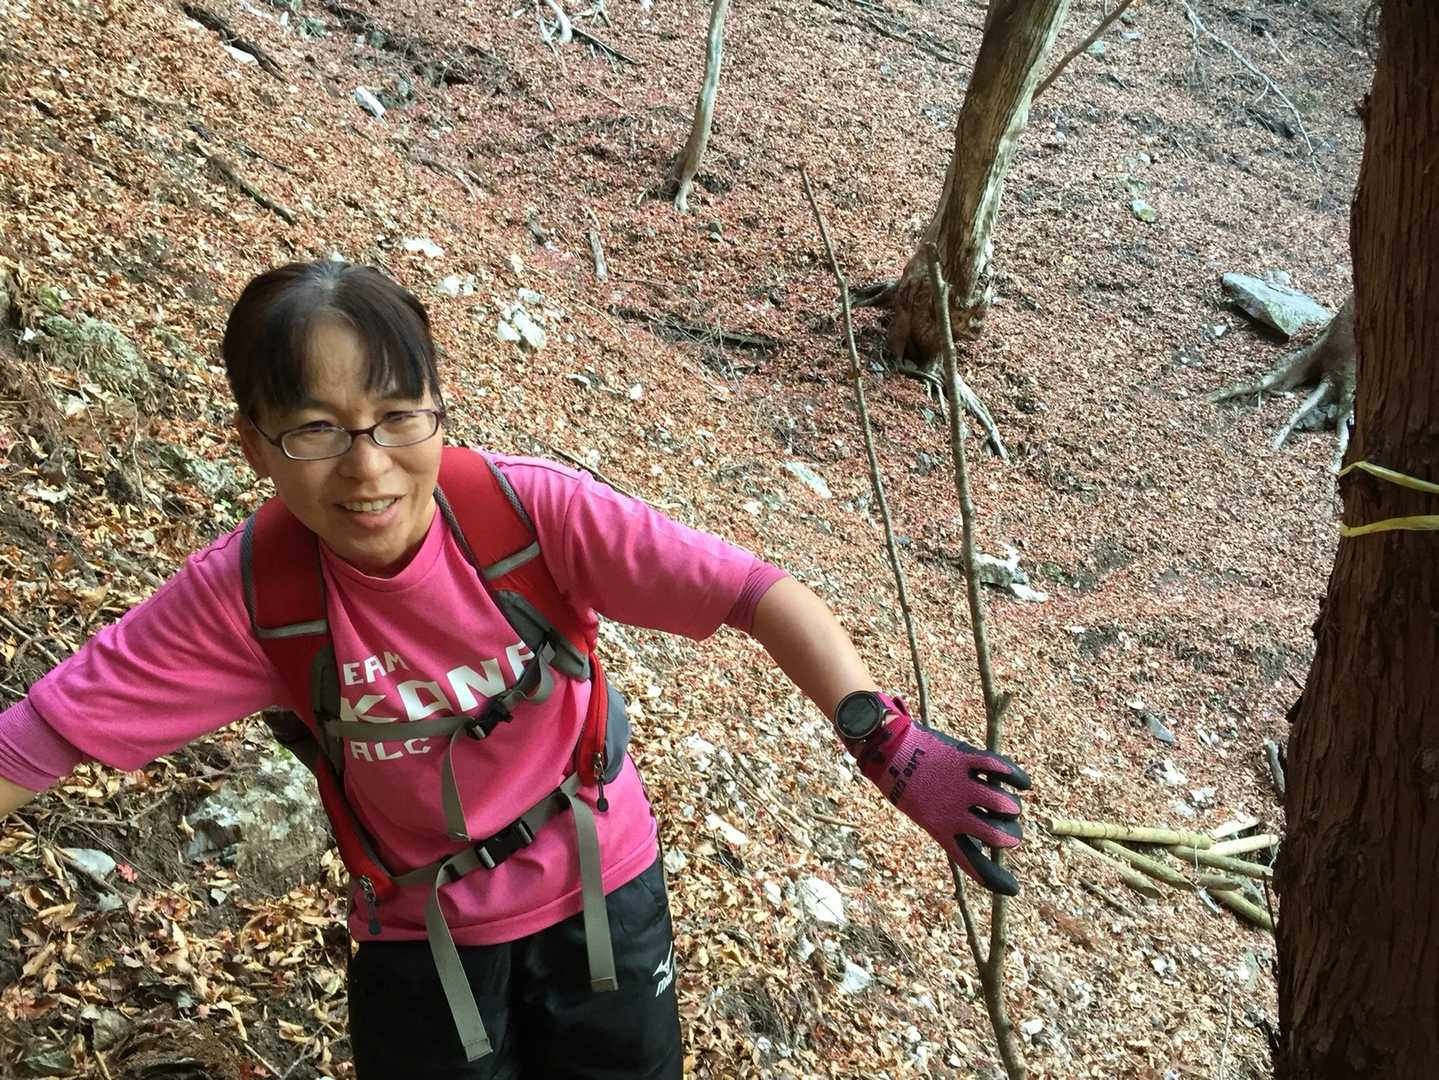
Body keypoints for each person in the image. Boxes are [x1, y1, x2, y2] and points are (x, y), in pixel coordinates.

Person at [0, 261, 1030, 1079]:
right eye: (315, 429)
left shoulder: (526, 514)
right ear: (255, 447)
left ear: (436, 409)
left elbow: (754, 594)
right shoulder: (245, 597)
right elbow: (37, 738)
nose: (367, 466)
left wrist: (884, 740)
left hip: (602, 892)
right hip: (419, 935)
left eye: (398, 415)